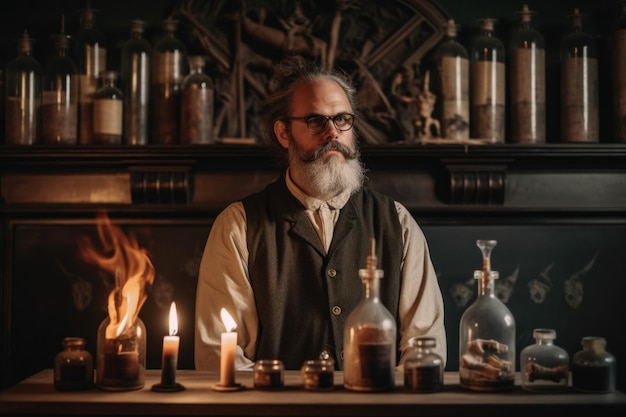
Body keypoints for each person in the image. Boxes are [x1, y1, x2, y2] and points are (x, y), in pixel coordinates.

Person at [194, 56, 447, 373]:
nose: (332, 133)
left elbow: (424, 347)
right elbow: (219, 358)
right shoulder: (239, 225)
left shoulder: (397, 222)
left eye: (342, 119)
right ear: (284, 133)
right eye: (316, 121)